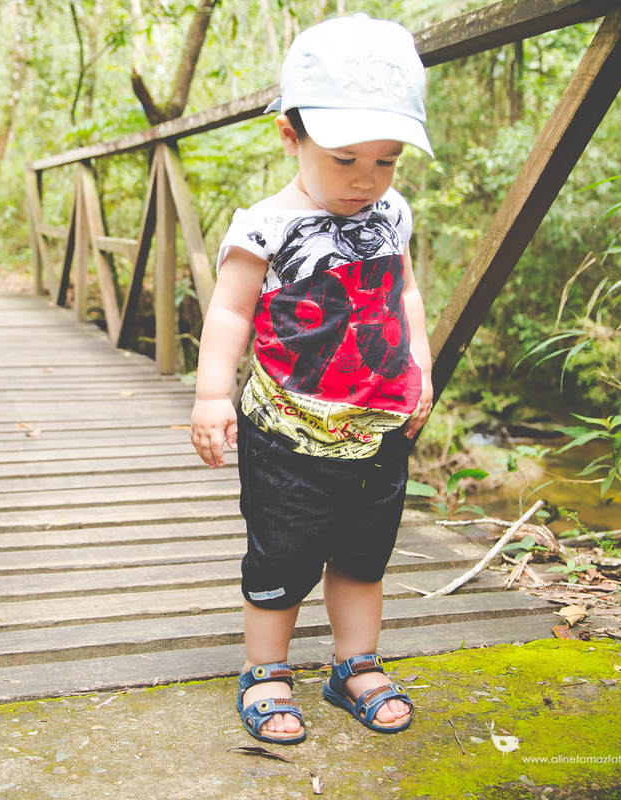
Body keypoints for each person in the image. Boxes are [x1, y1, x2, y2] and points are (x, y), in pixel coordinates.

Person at [190, 14, 434, 744]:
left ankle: (355, 664)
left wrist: (420, 368)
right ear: (289, 137)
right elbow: (230, 312)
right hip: (287, 433)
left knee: (364, 552)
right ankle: (265, 669)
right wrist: (211, 395)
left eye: (387, 160)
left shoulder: (392, 214)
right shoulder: (263, 227)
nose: (366, 179)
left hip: (377, 427)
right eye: (345, 158)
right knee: (283, 551)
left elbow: (406, 293)